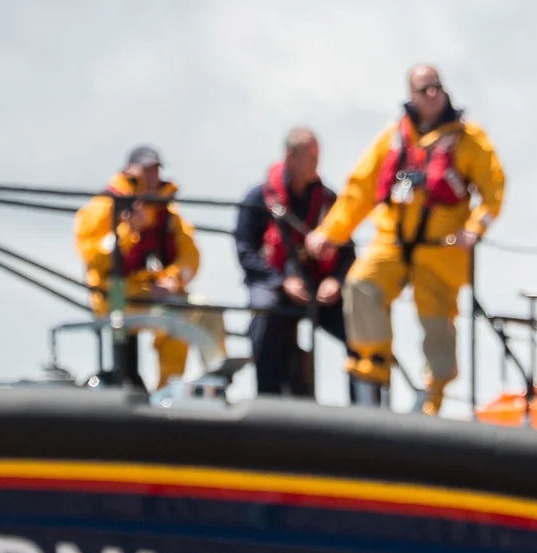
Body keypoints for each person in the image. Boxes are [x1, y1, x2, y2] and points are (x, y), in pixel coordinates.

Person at [309, 65, 506, 413]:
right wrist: (330, 233)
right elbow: (360, 190)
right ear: (411, 95)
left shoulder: (469, 139)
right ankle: (371, 376)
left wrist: (475, 228)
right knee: (361, 285)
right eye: (424, 89)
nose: (433, 94)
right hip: (393, 243)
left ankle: (431, 401)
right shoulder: (393, 137)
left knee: (437, 325)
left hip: (440, 250)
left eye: (437, 87)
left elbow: (494, 191)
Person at [74, 145, 220, 389]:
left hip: (153, 291)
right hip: (115, 294)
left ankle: (192, 384)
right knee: (166, 316)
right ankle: (135, 381)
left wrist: (173, 279)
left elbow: (190, 256)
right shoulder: (103, 207)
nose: (150, 178)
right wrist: (129, 231)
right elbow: (94, 258)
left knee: (203, 309)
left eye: (154, 170)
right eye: (144, 171)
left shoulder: (166, 212)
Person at [234, 127, 350, 399]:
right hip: (272, 283)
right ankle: (268, 400)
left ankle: (367, 404)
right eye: (310, 156)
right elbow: (245, 251)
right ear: (290, 155)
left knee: (357, 321)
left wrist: (336, 281)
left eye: (317, 156)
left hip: (316, 286)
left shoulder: (327, 200)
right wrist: (281, 282)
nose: (316, 163)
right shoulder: (258, 199)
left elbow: (347, 251)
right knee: (266, 311)